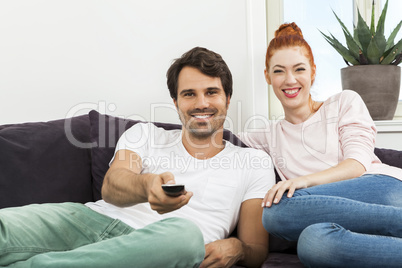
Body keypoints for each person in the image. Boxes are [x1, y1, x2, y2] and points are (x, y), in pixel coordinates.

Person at [0, 47, 275, 268]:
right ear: (176, 102)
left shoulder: (254, 161)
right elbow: (112, 185)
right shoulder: (144, 134)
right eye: (189, 94)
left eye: (211, 92)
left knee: (186, 237)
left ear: (227, 99)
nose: (201, 103)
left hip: (161, 246)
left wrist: (237, 247)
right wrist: (148, 186)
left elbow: (256, 249)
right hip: (91, 220)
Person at [238, 22, 402, 267]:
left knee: (276, 212)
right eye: (279, 71)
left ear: (313, 72)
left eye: (299, 69)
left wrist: (302, 181)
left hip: (383, 190)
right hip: (340, 220)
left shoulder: (343, 102)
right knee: (313, 243)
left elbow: (357, 165)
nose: (290, 80)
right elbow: (217, 140)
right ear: (267, 76)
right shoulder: (268, 135)